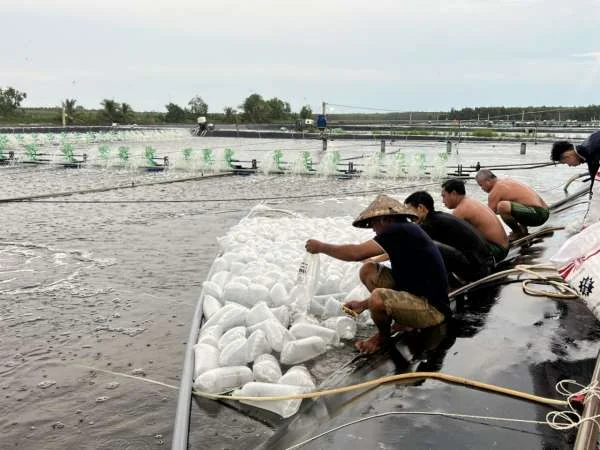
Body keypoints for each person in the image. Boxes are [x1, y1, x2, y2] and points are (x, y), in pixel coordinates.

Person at [305, 193, 451, 354]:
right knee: (369, 270)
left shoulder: (398, 230)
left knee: (378, 298)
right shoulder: (405, 230)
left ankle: (383, 338)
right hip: (417, 295)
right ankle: (403, 320)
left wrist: (321, 247)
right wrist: (362, 304)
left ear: (384, 219)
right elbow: (405, 284)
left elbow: (356, 253)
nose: (373, 229)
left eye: (373, 223)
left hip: (433, 311)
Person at [404, 191, 494, 283]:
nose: (409, 216)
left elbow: (407, 239)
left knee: (427, 245)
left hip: (479, 271)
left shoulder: (431, 223)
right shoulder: (440, 217)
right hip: (486, 265)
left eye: (409, 211)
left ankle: (448, 284)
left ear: (420, 208)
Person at [441, 179, 509, 264]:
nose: (443, 201)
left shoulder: (461, 210)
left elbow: (447, 238)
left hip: (496, 251)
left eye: (444, 196)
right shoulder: (470, 202)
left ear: (454, 193)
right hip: (504, 247)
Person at [475, 169, 549, 241]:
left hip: (538, 214)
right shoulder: (506, 181)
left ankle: (517, 232)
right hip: (545, 211)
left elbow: (489, 214)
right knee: (511, 205)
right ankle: (522, 229)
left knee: (502, 206)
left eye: (481, 185)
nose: (481, 188)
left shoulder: (496, 190)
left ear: (487, 181)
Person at [551, 130, 600, 195]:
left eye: (566, 162)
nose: (569, 165)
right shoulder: (586, 152)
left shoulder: (593, 148)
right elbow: (593, 176)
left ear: (567, 154)